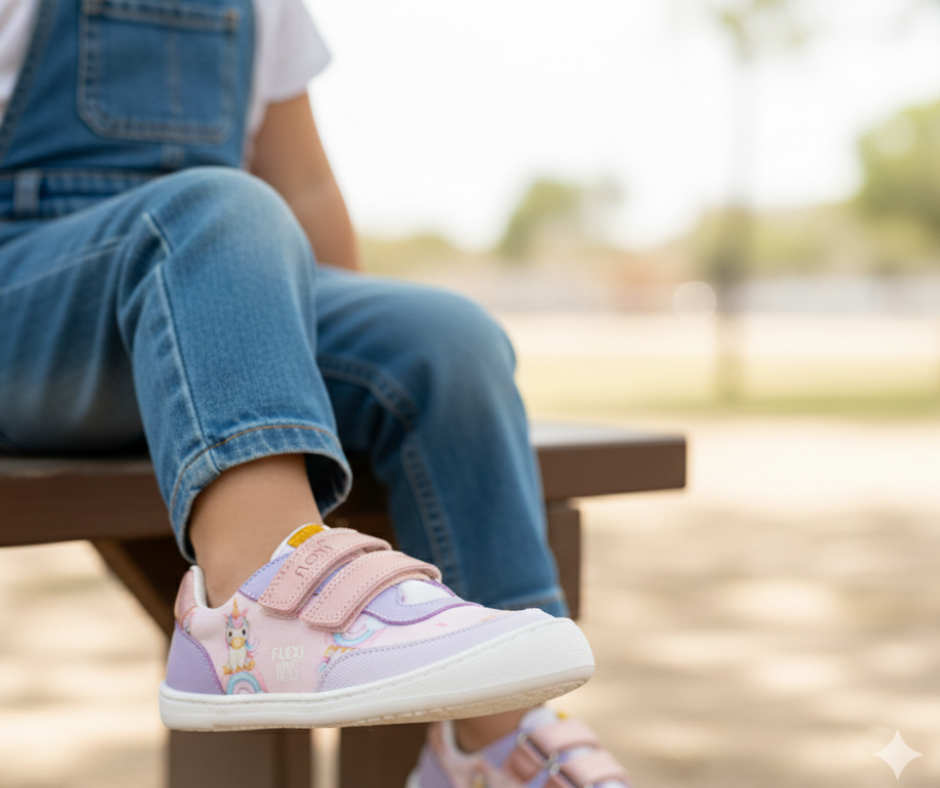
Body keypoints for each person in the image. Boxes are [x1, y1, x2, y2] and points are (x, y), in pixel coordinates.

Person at [0, 0, 632, 785]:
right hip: (32, 300)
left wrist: (324, 369)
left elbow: (301, 182)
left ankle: (496, 744)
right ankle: (258, 598)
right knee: (219, 209)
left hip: (220, 284)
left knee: (446, 338)